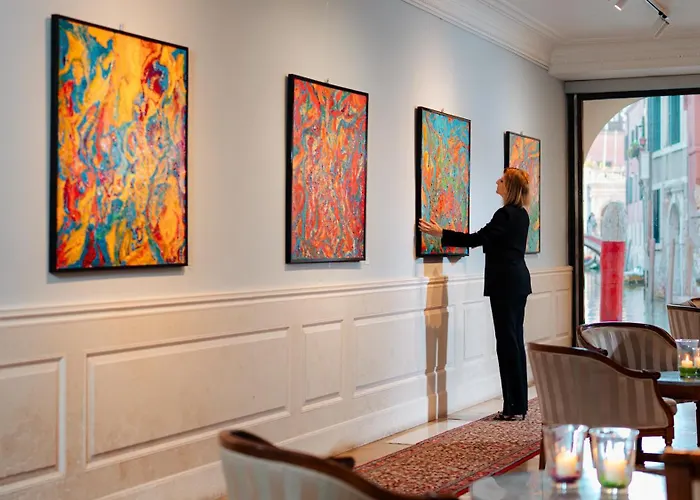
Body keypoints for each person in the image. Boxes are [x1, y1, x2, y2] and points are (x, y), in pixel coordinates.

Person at [418, 167, 533, 421]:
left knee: (507, 344)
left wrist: (441, 234)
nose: (497, 181)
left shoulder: (504, 215)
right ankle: (518, 405)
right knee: (515, 342)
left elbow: (476, 239)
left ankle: (512, 407)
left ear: (510, 187)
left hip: (505, 284)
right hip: (518, 282)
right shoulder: (522, 215)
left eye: (502, 179)